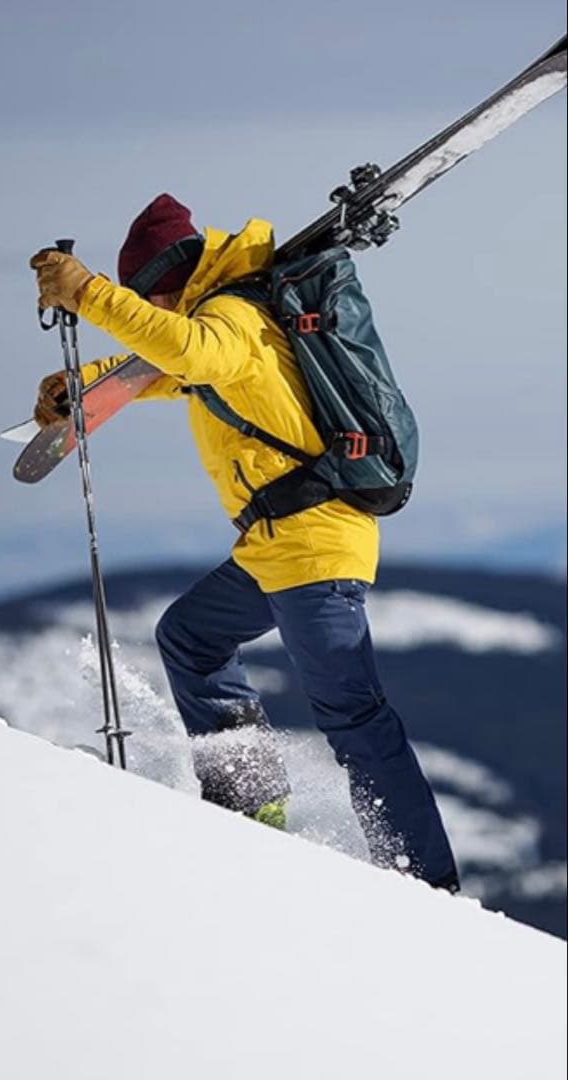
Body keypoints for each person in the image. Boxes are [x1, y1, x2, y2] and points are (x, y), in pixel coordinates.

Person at [30, 193, 459, 891]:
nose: (155, 315)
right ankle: (250, 801)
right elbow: (172, 372)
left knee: (353, 717)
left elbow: (186, 352)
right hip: (280, 543)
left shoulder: (227, 317)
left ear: (161, 284)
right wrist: (83, 382)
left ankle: (429, 883)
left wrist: (89, 295)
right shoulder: (230, 322)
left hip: (311, 545)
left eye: (148, 301)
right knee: (191, 639)